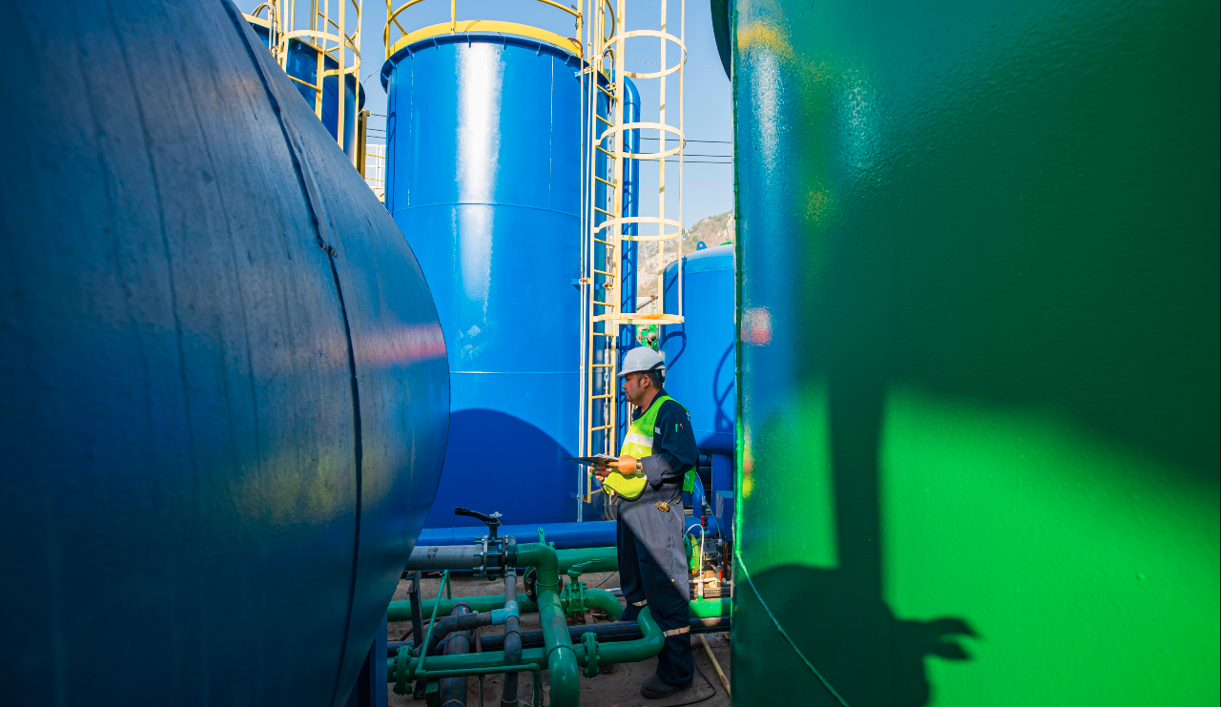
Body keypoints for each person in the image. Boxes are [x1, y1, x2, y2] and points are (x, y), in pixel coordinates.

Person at [594, 346, 698, 699]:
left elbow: (682, 459)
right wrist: (609, 470)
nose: (622, 385)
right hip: (634, 512)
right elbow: (633, 463)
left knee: (666, 590)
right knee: (636, 585)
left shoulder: (670, 412)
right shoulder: (641, 415)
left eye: (627, 379)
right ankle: (637, 631)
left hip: (658, 513)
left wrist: (635, 467)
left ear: (645, 379)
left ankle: (677, 672)